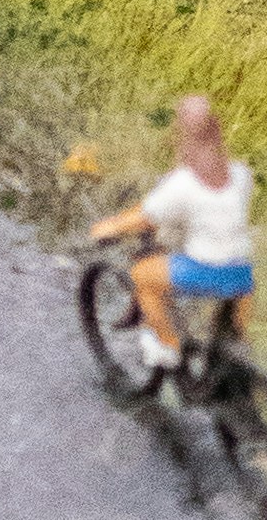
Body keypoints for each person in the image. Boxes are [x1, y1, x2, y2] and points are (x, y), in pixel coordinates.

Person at [107, 95, 254, 375]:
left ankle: (168, 344)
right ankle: (235, 350)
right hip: (243, 274)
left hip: (207, 270)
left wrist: (109, 227)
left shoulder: (183, 184)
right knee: (233, 334)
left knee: (143, 275)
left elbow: (145, 218)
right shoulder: (240, 174)